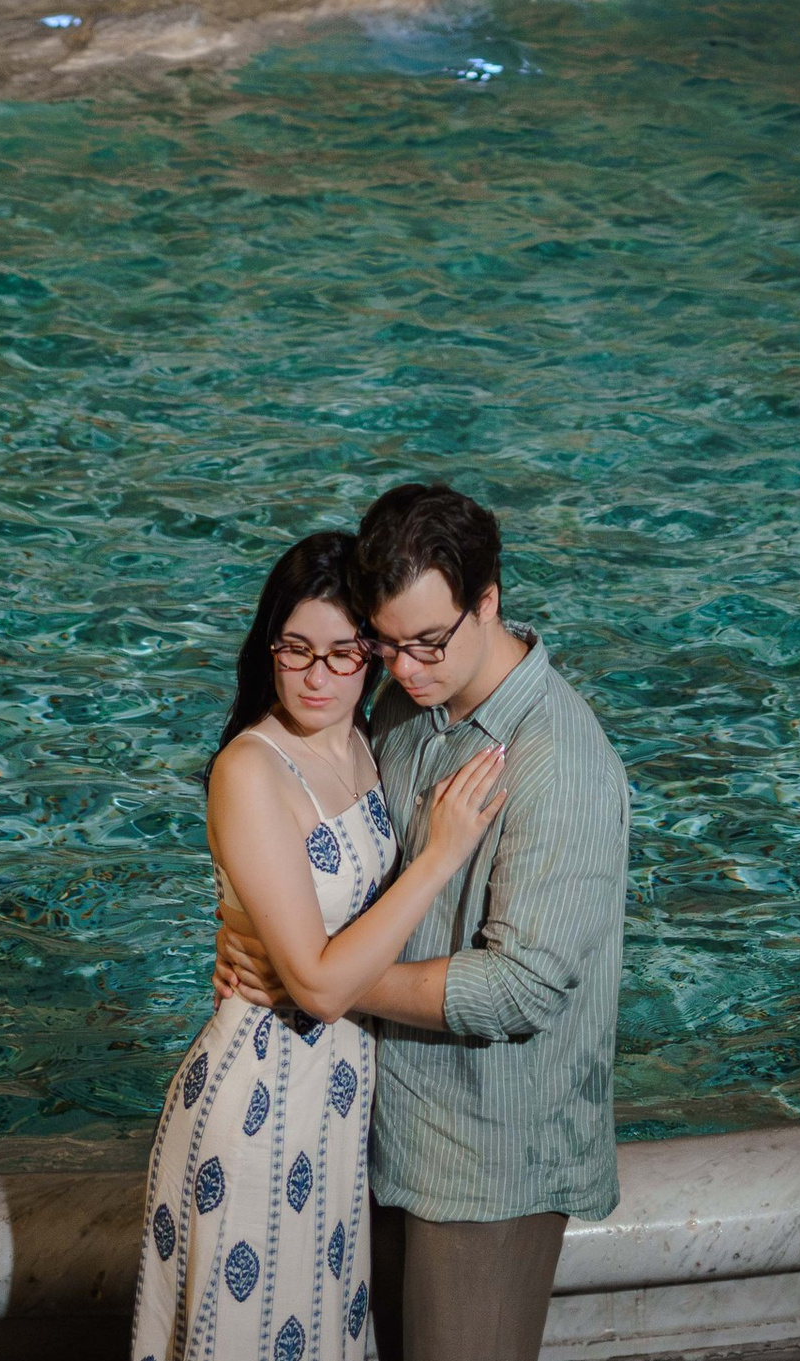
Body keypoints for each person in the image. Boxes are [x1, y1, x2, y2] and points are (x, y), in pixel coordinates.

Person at [215, 485, 630, 1361]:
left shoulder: (561, 763)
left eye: (428, 641)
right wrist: (264, 932)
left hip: (485, 1163)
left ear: (488, 600)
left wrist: (320, 981)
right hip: (372, 1128)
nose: (403, 669)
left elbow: (518, 986)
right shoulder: (410, 704)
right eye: (388, 643)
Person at [135, 531, 510, 1361]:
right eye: (296, 649)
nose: (316, 676)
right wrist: (442, 853)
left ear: (372, 658)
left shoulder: (368, 740)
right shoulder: (252, 768)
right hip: (259, 1110)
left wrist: (244, 931)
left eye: (343, 653)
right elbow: (320, 986)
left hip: (335, 1115)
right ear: (269, 647)